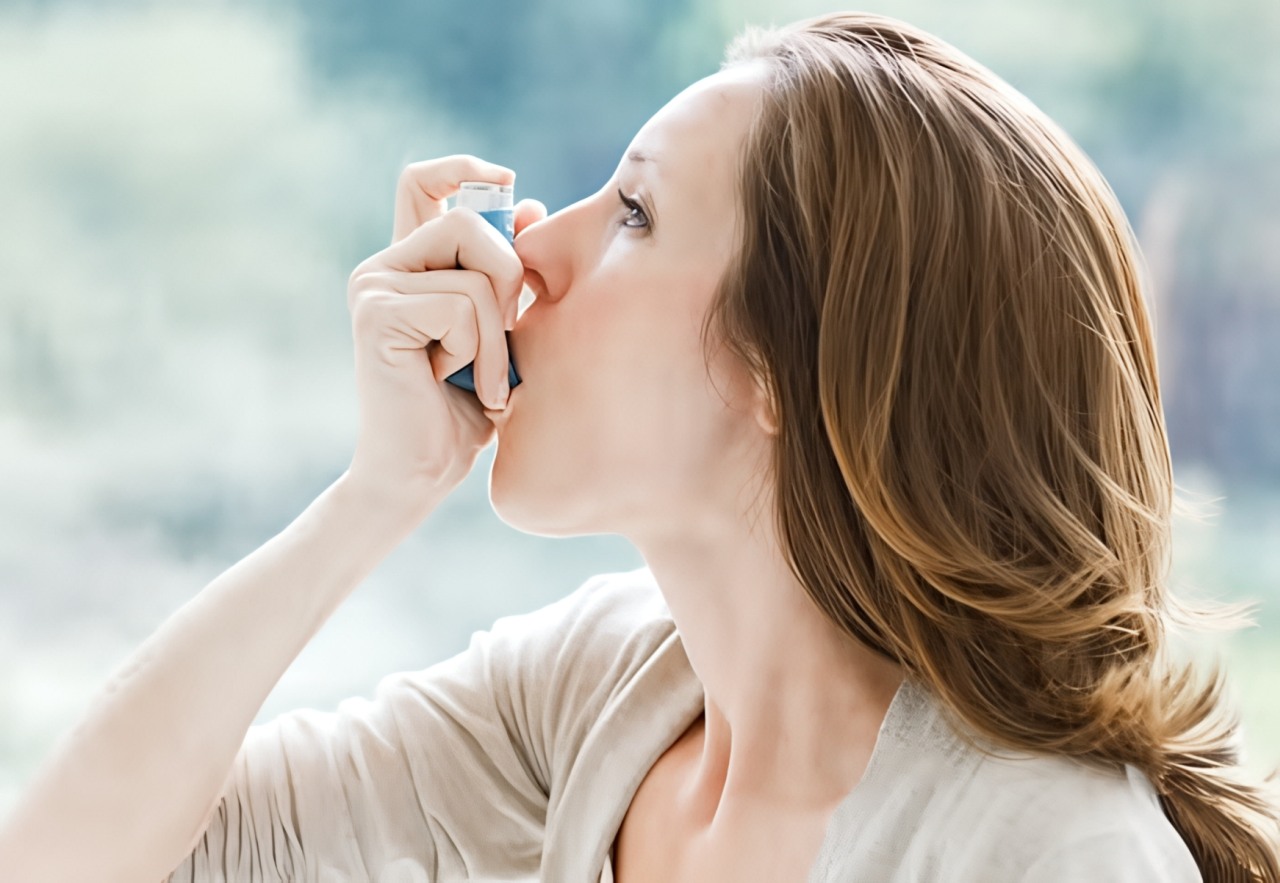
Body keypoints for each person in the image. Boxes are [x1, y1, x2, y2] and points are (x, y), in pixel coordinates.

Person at [1, 10, 1276, 883]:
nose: (531, 251)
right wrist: (377, 493)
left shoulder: (1038, 846)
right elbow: (74, 856)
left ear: (787, 368)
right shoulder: (604, 689)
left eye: (634, 211)